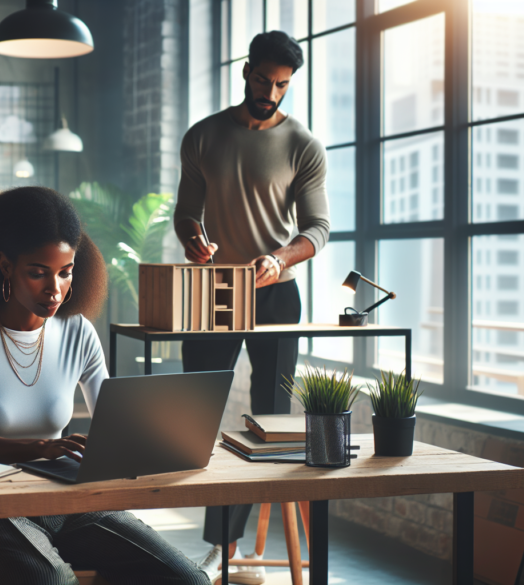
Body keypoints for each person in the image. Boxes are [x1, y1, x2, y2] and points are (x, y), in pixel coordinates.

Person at [0, 186, 216, 585]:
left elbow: (115, 424)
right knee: (52, 581)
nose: (55, 290)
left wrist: (166, 439)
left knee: (190, 580)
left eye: (65, 272)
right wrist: (39, 448)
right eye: (37, 272)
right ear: (5, 265)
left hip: (67, 499)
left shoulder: (77, 331)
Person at [174, 31, 331, 584]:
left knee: (271, 420)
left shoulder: (303, 145)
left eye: (282, 85)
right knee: (196, 414)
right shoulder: (203, 136)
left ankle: (225, 545)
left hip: (276, 292)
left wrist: (279, 258)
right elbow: (185, 212)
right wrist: (193, 239)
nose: (271, 92)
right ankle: (207, 541)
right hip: (214, 289)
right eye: (264, 80)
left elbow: (318, 228)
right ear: (246, 71)